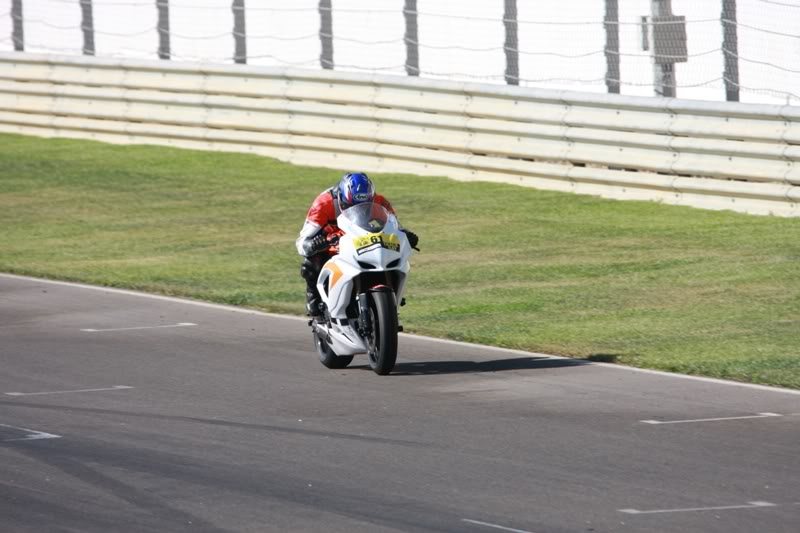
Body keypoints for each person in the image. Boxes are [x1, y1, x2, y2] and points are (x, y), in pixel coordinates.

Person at [296, 172, 418, 316]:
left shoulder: (379, 201)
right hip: (331, 241)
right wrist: (314, 245)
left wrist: (406, 235)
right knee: (310, 262)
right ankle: (314, 298)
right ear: (342, 199)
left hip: (361, 240)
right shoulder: (323, 204)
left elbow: (395, 226)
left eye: (366, 206)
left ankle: (391, 298)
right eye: (352, 206)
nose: (360, 210)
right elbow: (302, 242)